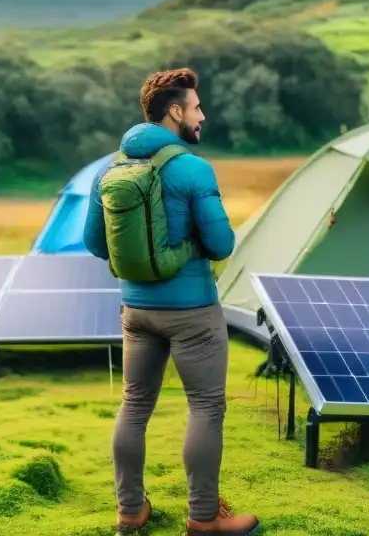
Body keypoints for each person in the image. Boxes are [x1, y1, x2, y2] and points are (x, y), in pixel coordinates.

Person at [83, 67, 259, 536]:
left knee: (134, 405)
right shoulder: (193, 169)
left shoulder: (111, 168)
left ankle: (130, 511)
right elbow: (222, 245)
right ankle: (204, 519)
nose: (203, 115)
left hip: (135, 311)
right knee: (205, 407)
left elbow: (94, 242)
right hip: (193, 314)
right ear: (175, 111)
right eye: (197, 107)